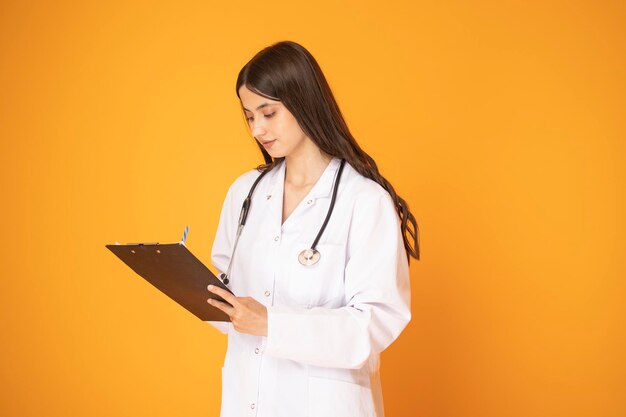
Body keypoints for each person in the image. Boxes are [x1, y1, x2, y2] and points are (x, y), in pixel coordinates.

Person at [206, 40, 420, 417]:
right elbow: (229, 289)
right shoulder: (246, 192)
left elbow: (374, 323)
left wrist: (273, 324)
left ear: (303, 101)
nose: (257, 129)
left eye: (268, 113)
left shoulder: (363, 200)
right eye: (249, 116)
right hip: (247, 398)